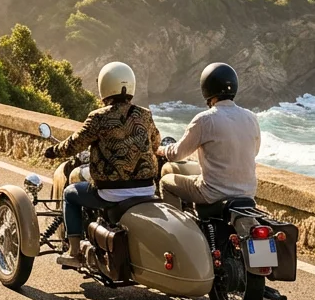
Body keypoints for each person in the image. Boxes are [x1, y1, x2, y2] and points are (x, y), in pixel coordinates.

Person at [44, 61, 161, 268]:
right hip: (147, 189)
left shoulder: (98, 117)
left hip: (112, 193)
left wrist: (53, 151)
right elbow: (156, 144)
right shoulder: (145, 115)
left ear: (105, 87)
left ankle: (74, 253)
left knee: (71, 193)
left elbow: (74, 144)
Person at [156, 62, 261, 210]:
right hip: (246, 194)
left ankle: (177, 229)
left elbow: (176, 155)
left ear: (207, 88)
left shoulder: (205, 119)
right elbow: (254, 152)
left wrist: (161, 149)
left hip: (212, 194)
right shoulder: (251, 117)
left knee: (166, 182)